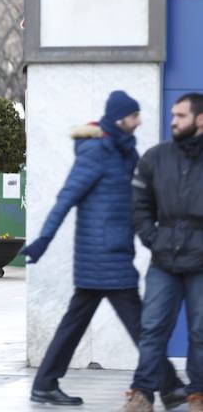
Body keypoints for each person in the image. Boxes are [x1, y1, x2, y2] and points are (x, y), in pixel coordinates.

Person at [23, 91, 185, 408]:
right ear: (121, 118)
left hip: (110, 253)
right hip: (103, 255)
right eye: (135, 115)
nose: (140, 120)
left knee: (79, 324)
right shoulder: (97, 152)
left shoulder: (124, 151)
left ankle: (44, 384)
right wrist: (43, 239)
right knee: (140, 324)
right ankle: (170, 386)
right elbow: (65, 198)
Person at [121, 93, 203, 412]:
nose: (173, 121)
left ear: (199, 119)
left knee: (200, 332)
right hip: (164, 259)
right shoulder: (155, 157)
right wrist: (153, 239)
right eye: (172, 115)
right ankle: (141, 395)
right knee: (152, 327)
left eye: (180, 116)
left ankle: (198, 395)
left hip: (201, 261)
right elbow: (139, 206)